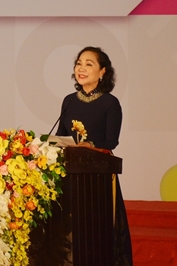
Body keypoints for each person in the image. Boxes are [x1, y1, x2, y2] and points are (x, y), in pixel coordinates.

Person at [55, 46, 133, 266]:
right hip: (70, 175)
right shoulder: (69, 101)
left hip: (98, 176)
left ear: (102, 71)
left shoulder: (110, 103)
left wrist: (90, 146)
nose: (81, 68)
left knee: (98, 229)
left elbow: (111, 141)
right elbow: (61, 135)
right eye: (79, 63)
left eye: (89, 64)